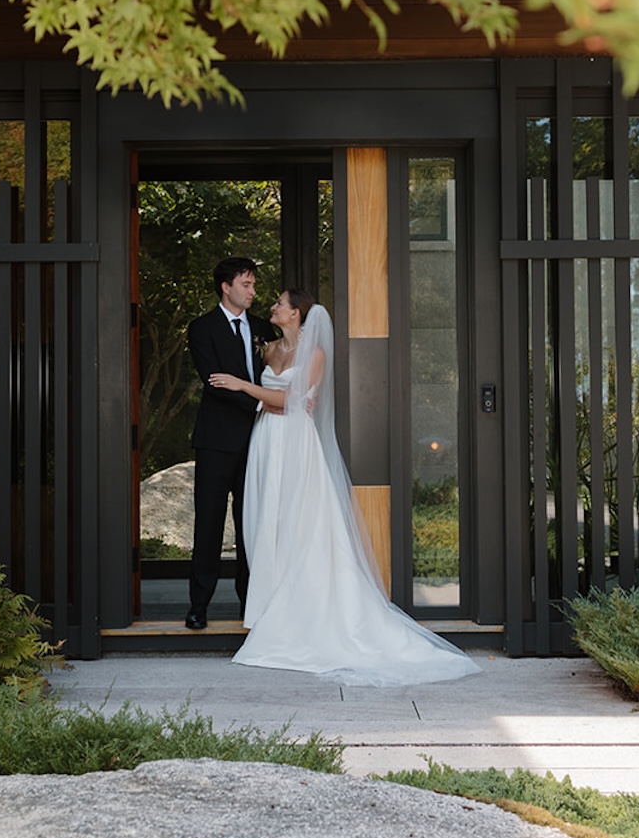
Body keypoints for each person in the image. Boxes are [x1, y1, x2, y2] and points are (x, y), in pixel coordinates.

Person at [207, 289, 480, 686]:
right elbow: (279, 401)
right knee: (268, 522)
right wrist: (274, 400)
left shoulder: (313, 354)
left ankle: (301, 615)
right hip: (266, 439)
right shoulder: (268, 352)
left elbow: (293, 401)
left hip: (296, 445)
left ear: (297, 313)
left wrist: (246, 388)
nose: (273, 307)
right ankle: (269, 611)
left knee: (300, 524)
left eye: (281, 303)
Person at [184, 257, 274, 630]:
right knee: (208, 524)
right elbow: (214, 382)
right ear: (226, 286)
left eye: (253, 285)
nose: (253, 292)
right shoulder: (202, 328)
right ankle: (198, 606)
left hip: (260, 440)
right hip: (217, 440)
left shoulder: (263, 329)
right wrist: (261, 403)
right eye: (246, 284)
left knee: (250, 524)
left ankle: (249, 604)